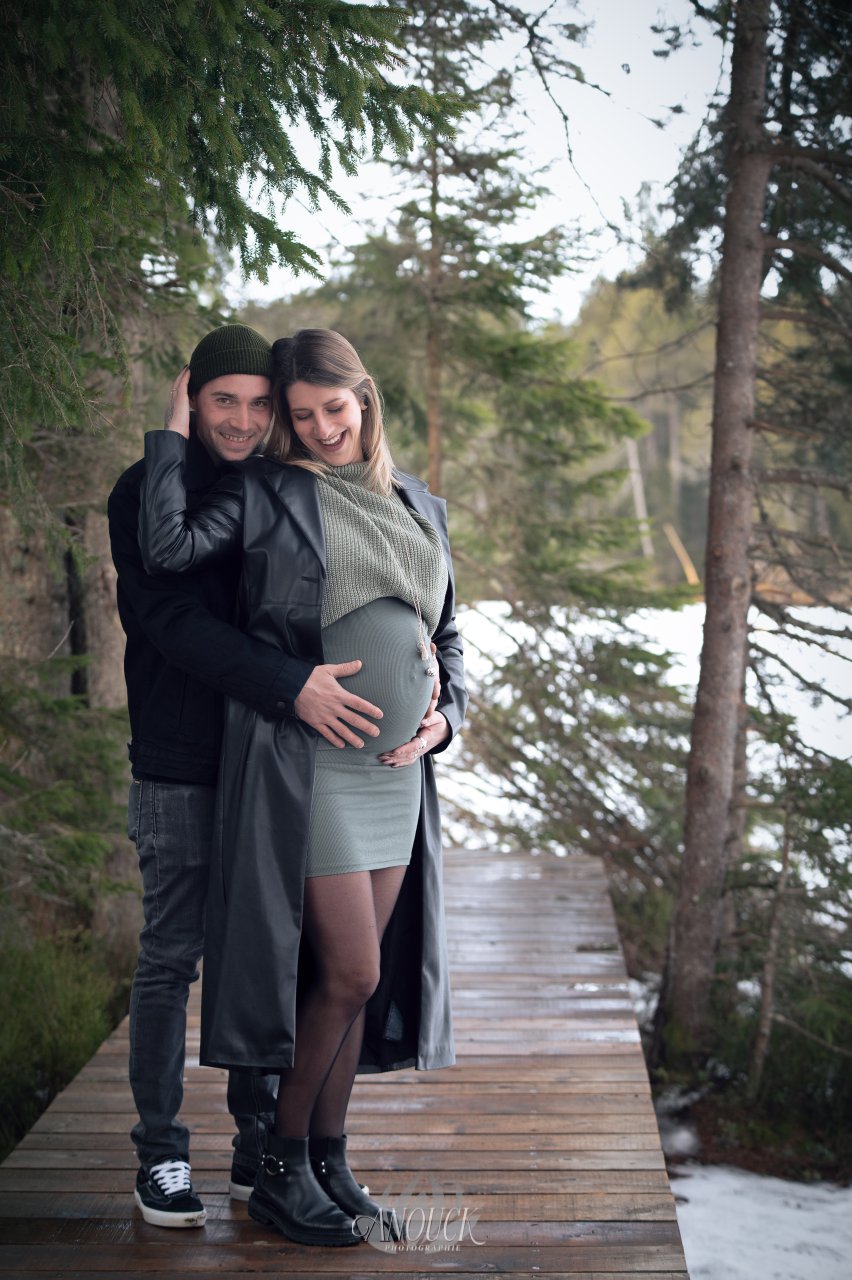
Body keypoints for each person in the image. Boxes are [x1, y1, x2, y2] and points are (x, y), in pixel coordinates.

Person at [137, 328, 467, 1247]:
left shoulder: (414, 502)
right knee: (351, 971)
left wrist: (446, 717)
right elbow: (166, 549)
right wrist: (171, 432)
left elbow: (446, 634)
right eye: (303, 415)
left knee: (348, 984)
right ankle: (281, 1167)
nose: (323, 428)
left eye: (335, 408)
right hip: (311, 763)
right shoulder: (270, 491)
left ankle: (329, 1159)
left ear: (365, 399)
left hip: (395, 775)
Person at [108, 324, 391, 1229]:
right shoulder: (147, 490)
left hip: (274, 760)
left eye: (259, 403)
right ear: (190, 398)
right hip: (184, 760)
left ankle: (256, 1141)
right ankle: (160, 1152)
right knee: (172, 955)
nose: (241, 419)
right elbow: (172, 623)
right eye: (222, 400)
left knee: (270, 950)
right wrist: (289, 684)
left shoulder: (275, 486)